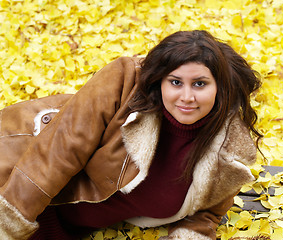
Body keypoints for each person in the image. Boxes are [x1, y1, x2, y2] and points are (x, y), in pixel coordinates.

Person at [0, 30, 261, 240]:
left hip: (65, 230)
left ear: (220, 88)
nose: (187, 97)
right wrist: (9, 224)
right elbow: (59, 152)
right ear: (160, 81)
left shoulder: (227, 152)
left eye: (200, 84)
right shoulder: (124, 85)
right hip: (15, 183)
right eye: (175, 82)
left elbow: (209, 212)